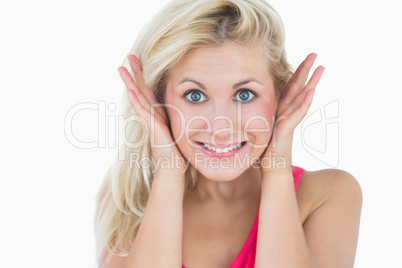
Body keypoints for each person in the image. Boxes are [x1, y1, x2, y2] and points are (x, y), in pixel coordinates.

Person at [94, 0, 362, 267]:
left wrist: (277, 169)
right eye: (194, 95)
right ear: (158, 100)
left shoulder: (328, 194)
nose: (221, 129)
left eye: (245, 95)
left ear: (280, 95)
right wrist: (168, 173)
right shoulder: (125, 197)